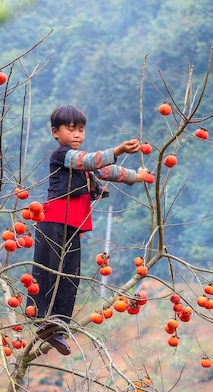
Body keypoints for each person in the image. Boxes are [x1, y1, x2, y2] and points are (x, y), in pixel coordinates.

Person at [29, 105, 149, 355]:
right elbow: (90, 160)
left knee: (70, 277)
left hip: (73, 225)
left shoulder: (81, 162)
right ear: (55, 132)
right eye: (71, 130)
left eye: (81, 130)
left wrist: (136, 176)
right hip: (53, 222)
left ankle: (58, 327)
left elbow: (106, 171)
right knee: (50, 272)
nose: (77, 135)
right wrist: (117, 150)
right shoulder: (62, 155)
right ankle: (41, 318)